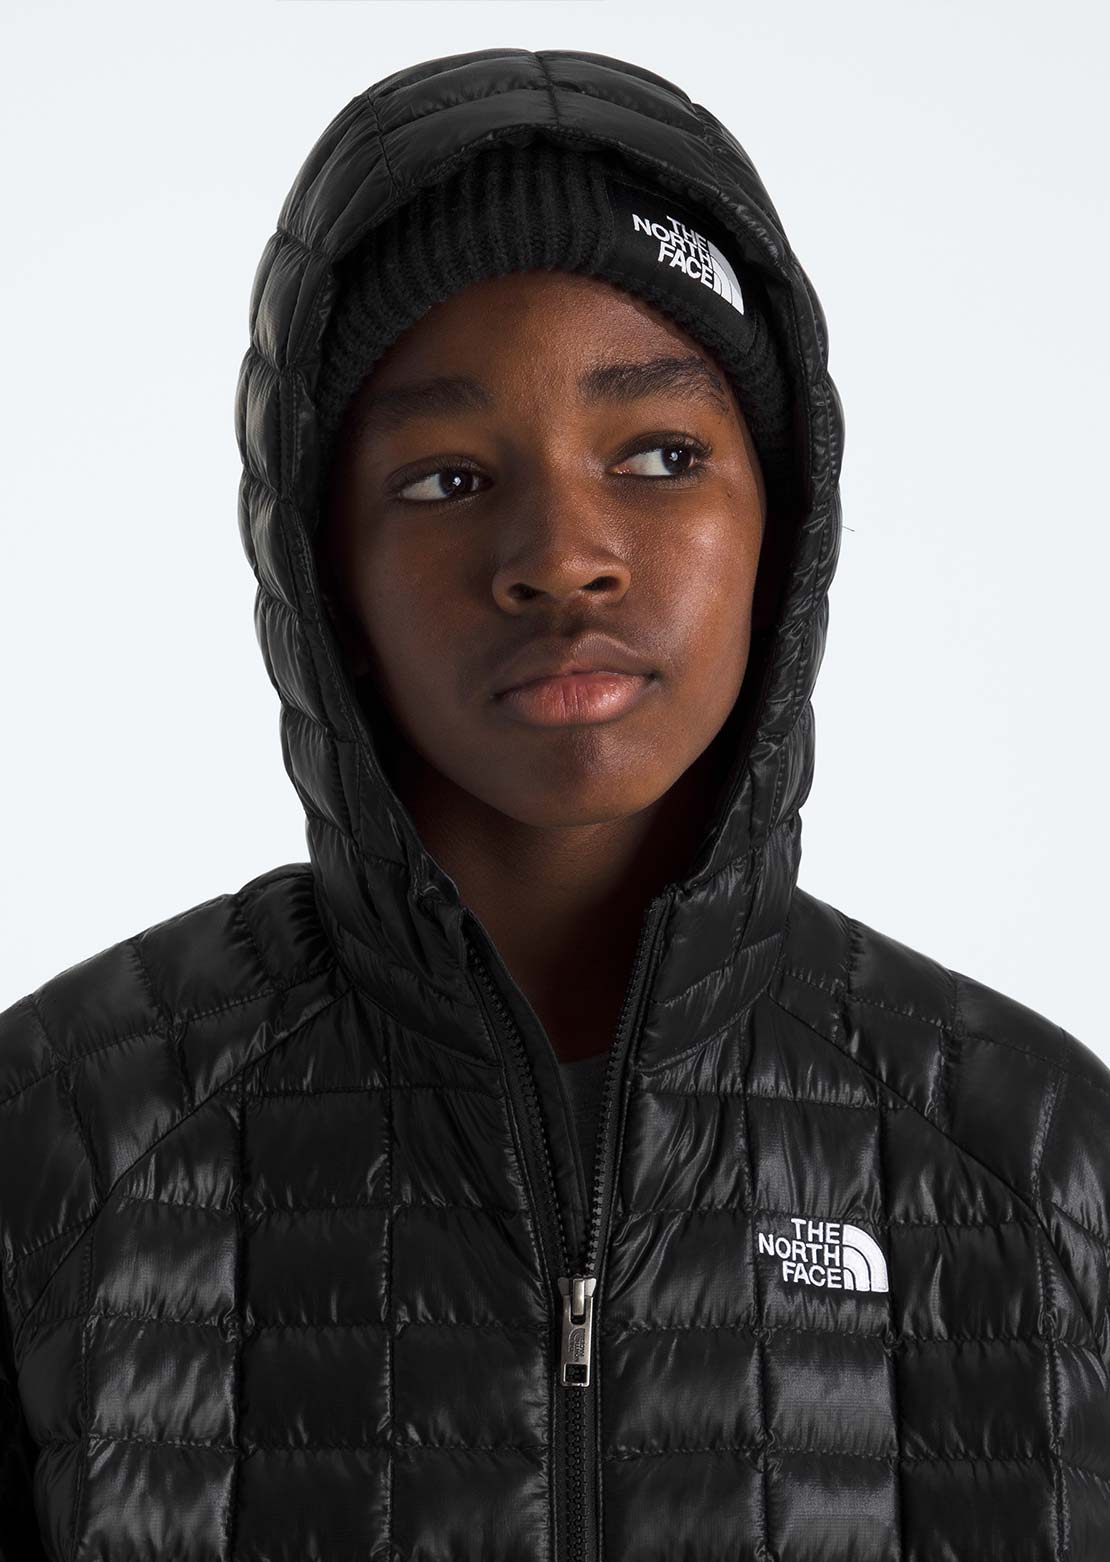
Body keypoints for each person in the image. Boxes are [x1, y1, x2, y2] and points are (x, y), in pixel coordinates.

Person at [1, 46, 1107, 1560]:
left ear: (783, 525)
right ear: (322, 569)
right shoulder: (60, 1141)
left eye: (660, 454)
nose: (562, 555)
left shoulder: (1036, 1160)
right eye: (444, 480)